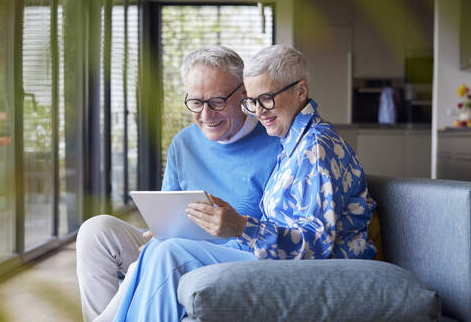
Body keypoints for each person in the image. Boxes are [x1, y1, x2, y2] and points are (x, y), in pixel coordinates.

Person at [112, 44, 376, 321]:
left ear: (301, 91)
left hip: (312, 273)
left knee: (169, 254)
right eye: (252, 101)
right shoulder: (291, 144)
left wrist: (240, 226)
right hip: (276, 260)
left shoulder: (316, 147)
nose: (258, 111)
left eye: (267, 99)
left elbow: (317, 247)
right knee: (159, 248)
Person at [76, 45, 281, 322]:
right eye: (196, 103)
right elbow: (167, 215)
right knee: (95, 231)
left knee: (161, 252)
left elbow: (276, 236)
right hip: (172, 245)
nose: (206, 115)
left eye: (217, 101)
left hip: (232, 256)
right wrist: (156, 231)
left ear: (243, 93)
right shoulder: (183, 143)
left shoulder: (275, 145)